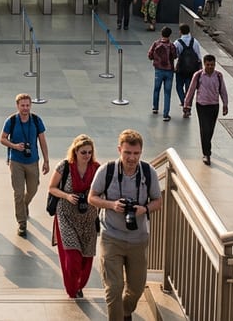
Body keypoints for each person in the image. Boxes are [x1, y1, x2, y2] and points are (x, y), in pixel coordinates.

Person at [89, 129, 162, 321]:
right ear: (119, 149)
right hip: (111, 236)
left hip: (138, 238)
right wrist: (112, 205)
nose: (131, 158)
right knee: (113, 289)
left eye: (136, 153)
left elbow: (158, 201)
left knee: (136, 288)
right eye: (127, 153)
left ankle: (126, 311)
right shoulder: (107, 170)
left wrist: (144, 209)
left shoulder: (148, 172)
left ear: (141, 152)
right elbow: (92, 198)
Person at [48, 134, 101, 299]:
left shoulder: (97, 168)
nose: (86, 156)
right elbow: (52, 188)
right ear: (75, 152)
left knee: (86, 258)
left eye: (89, 152)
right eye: (83, 152)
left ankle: (79, 285)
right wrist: (67, 196)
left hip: (88, 218)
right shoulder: (64, 167)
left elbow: (102, 190)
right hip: (66, 215)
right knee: (72, 257)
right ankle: (71, 288)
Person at [0, 93, 49, 237]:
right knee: (18, 193)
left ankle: (25, 204)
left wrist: (46, 160)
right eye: (23, 105)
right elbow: (2, 139)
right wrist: (14, 146)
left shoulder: (36, 120)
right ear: (17, 106)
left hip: (32, 161)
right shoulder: (11, 121)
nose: (25, 108)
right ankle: (22, 223)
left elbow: (42, 141)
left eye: (28, 105)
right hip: (16, 162)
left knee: (33, 189)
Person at [183, 55, 230, 166]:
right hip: (202, 106)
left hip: (214, 106)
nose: (210, 67)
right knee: (205, 129)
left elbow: (223, 90)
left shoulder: (219, 76)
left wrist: (225, 104)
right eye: (208, 65)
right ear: (204, 64)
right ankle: (206, 153)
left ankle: (207, 147)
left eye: (212, 65)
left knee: (211, 130)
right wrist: (186, 104)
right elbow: (191, 90)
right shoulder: (198, 75)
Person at [148, 27, 177, 121]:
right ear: (170, 35)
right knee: (167, 93)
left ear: (161, 33)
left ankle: (155, 107)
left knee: (156, 89)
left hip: (158, 70)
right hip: (169, 71)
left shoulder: (156, 43)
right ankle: (165, 114)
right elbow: (175, 56)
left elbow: (150, 55)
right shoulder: (171, 45)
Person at [173, 24, 205, 111]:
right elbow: (199, 57)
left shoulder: (177, 42)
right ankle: (188, 106)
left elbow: (174, 55)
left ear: (180, 31)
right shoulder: (195, 42)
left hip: (181, 69)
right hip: (192, 70)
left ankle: (184, 102)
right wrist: (201, 69)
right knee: (189, 88)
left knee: (179, 86)